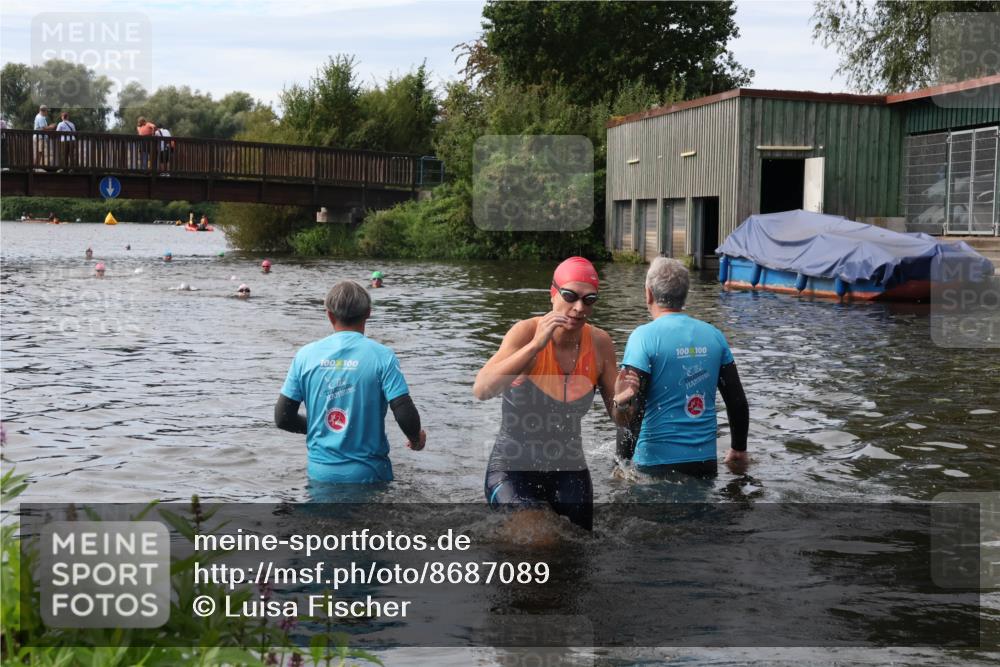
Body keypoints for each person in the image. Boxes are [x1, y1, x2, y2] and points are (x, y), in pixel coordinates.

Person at [473, 257, 618, 531]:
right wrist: (535, 347)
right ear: (553, 293)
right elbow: (482, 389)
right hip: (513, 469)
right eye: (570, 296)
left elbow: (621, 419)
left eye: (589, 300)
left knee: (580, 552)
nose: (578, 308)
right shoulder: (525, 332)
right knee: (539, 540)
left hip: (570, 472)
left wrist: (626, 400)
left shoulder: (600, 343)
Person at [275, 280, 426, 484]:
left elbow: (283, 418)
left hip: (320, 474)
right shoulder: (383, 356)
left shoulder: (305, 356)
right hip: (370, 474)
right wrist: (416, 439)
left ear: (329, 314)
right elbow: (403, 410)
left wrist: (320, 427)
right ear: (368, 313)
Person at [611, 258, 749, 478]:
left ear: (648, 294)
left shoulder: (643, 338)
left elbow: (634, 407)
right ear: (685, 295)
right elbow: (737, 401)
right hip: (704, 463)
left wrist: (621, 464)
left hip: (654, 464)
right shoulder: (714, 336)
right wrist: (739, 449)